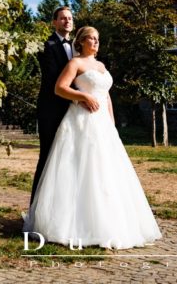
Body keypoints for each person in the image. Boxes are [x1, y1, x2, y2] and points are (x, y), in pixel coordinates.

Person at [24, 27, 162, 249]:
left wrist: (112, 123)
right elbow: (59, 88)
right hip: (80, 122)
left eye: (98, 38)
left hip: (103, 125)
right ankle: (73, 225)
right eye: (91, 38)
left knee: (106, 171)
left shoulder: (101, 66)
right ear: (81, 42)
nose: (96, 42)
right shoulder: (75, 64)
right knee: (81, 169)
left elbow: (106, 96)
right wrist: (82, 96)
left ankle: (109, 223)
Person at [31, 6, 88, 203]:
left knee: (71, 160)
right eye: (63, 18)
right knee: (48, 158)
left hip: (75, 112)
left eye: (70, 18)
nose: (67, 21)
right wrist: (81, 97)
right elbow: (53, 79)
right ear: (54, 22)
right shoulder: (47, 46)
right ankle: (36, 209)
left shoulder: (78, 47)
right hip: (52, 110)